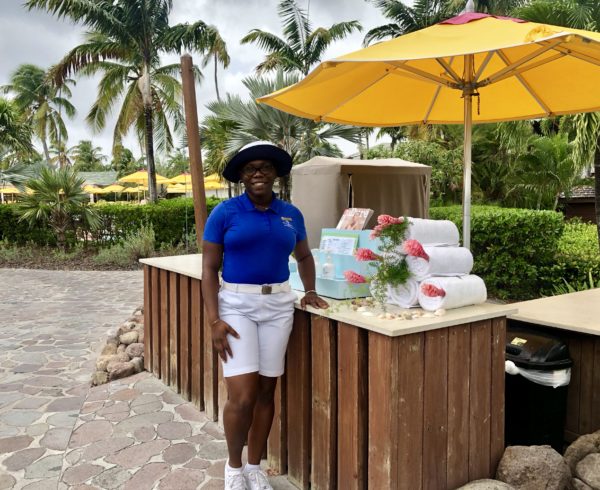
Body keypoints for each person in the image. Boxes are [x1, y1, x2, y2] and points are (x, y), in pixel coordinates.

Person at [202, 141, 328, 490]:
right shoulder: (225, 213)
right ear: (241, 176)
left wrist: (311, 290)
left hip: (278, 307)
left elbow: (304, 256)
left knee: (266, 392)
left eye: (265, 167)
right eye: (250, 168)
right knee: (241, 396)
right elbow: (210, 269)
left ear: (275, 173)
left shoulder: (291, 214)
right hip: (236, 306)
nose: (258, 173)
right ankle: (233, 468)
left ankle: (255, 467)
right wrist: (214, 319)